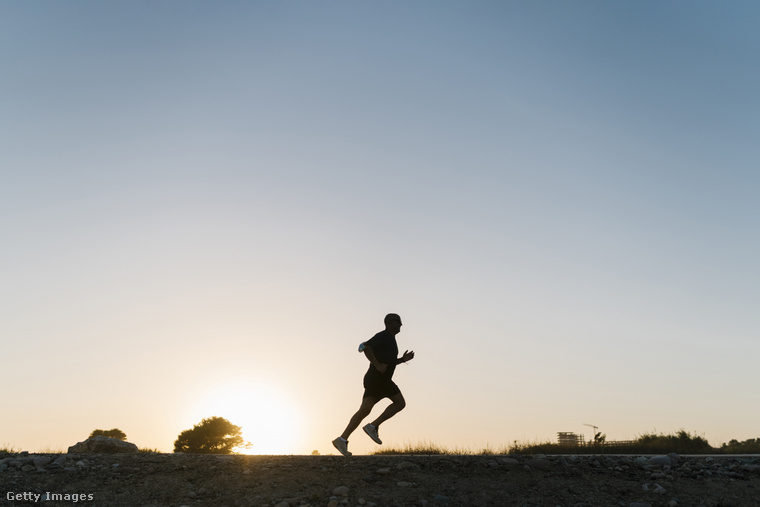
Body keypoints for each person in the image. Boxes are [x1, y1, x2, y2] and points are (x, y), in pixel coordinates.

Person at [332, 313, 415, 457]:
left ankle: (342, 439)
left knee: (364, 411)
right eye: (398, 321)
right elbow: (364, 346)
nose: (401, 324)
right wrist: (377, 365)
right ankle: (373, 426)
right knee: (400, 403)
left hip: (375, 379)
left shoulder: (391, 340)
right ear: (389, 323)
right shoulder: (384, 336)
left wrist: (402, 359)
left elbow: (388, 362)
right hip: (379, 379)